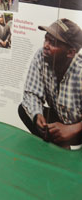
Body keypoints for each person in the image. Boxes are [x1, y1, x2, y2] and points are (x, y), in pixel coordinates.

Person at [18, 19, 82, 149]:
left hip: (78, 128)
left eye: (52, 43)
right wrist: (37, 116)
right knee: (24, 109)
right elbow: (31, 93)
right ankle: (59, 147)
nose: (46, 45)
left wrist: (73, 129)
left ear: (70, 52)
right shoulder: (41, 56)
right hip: (59, 118)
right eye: (46, 39)